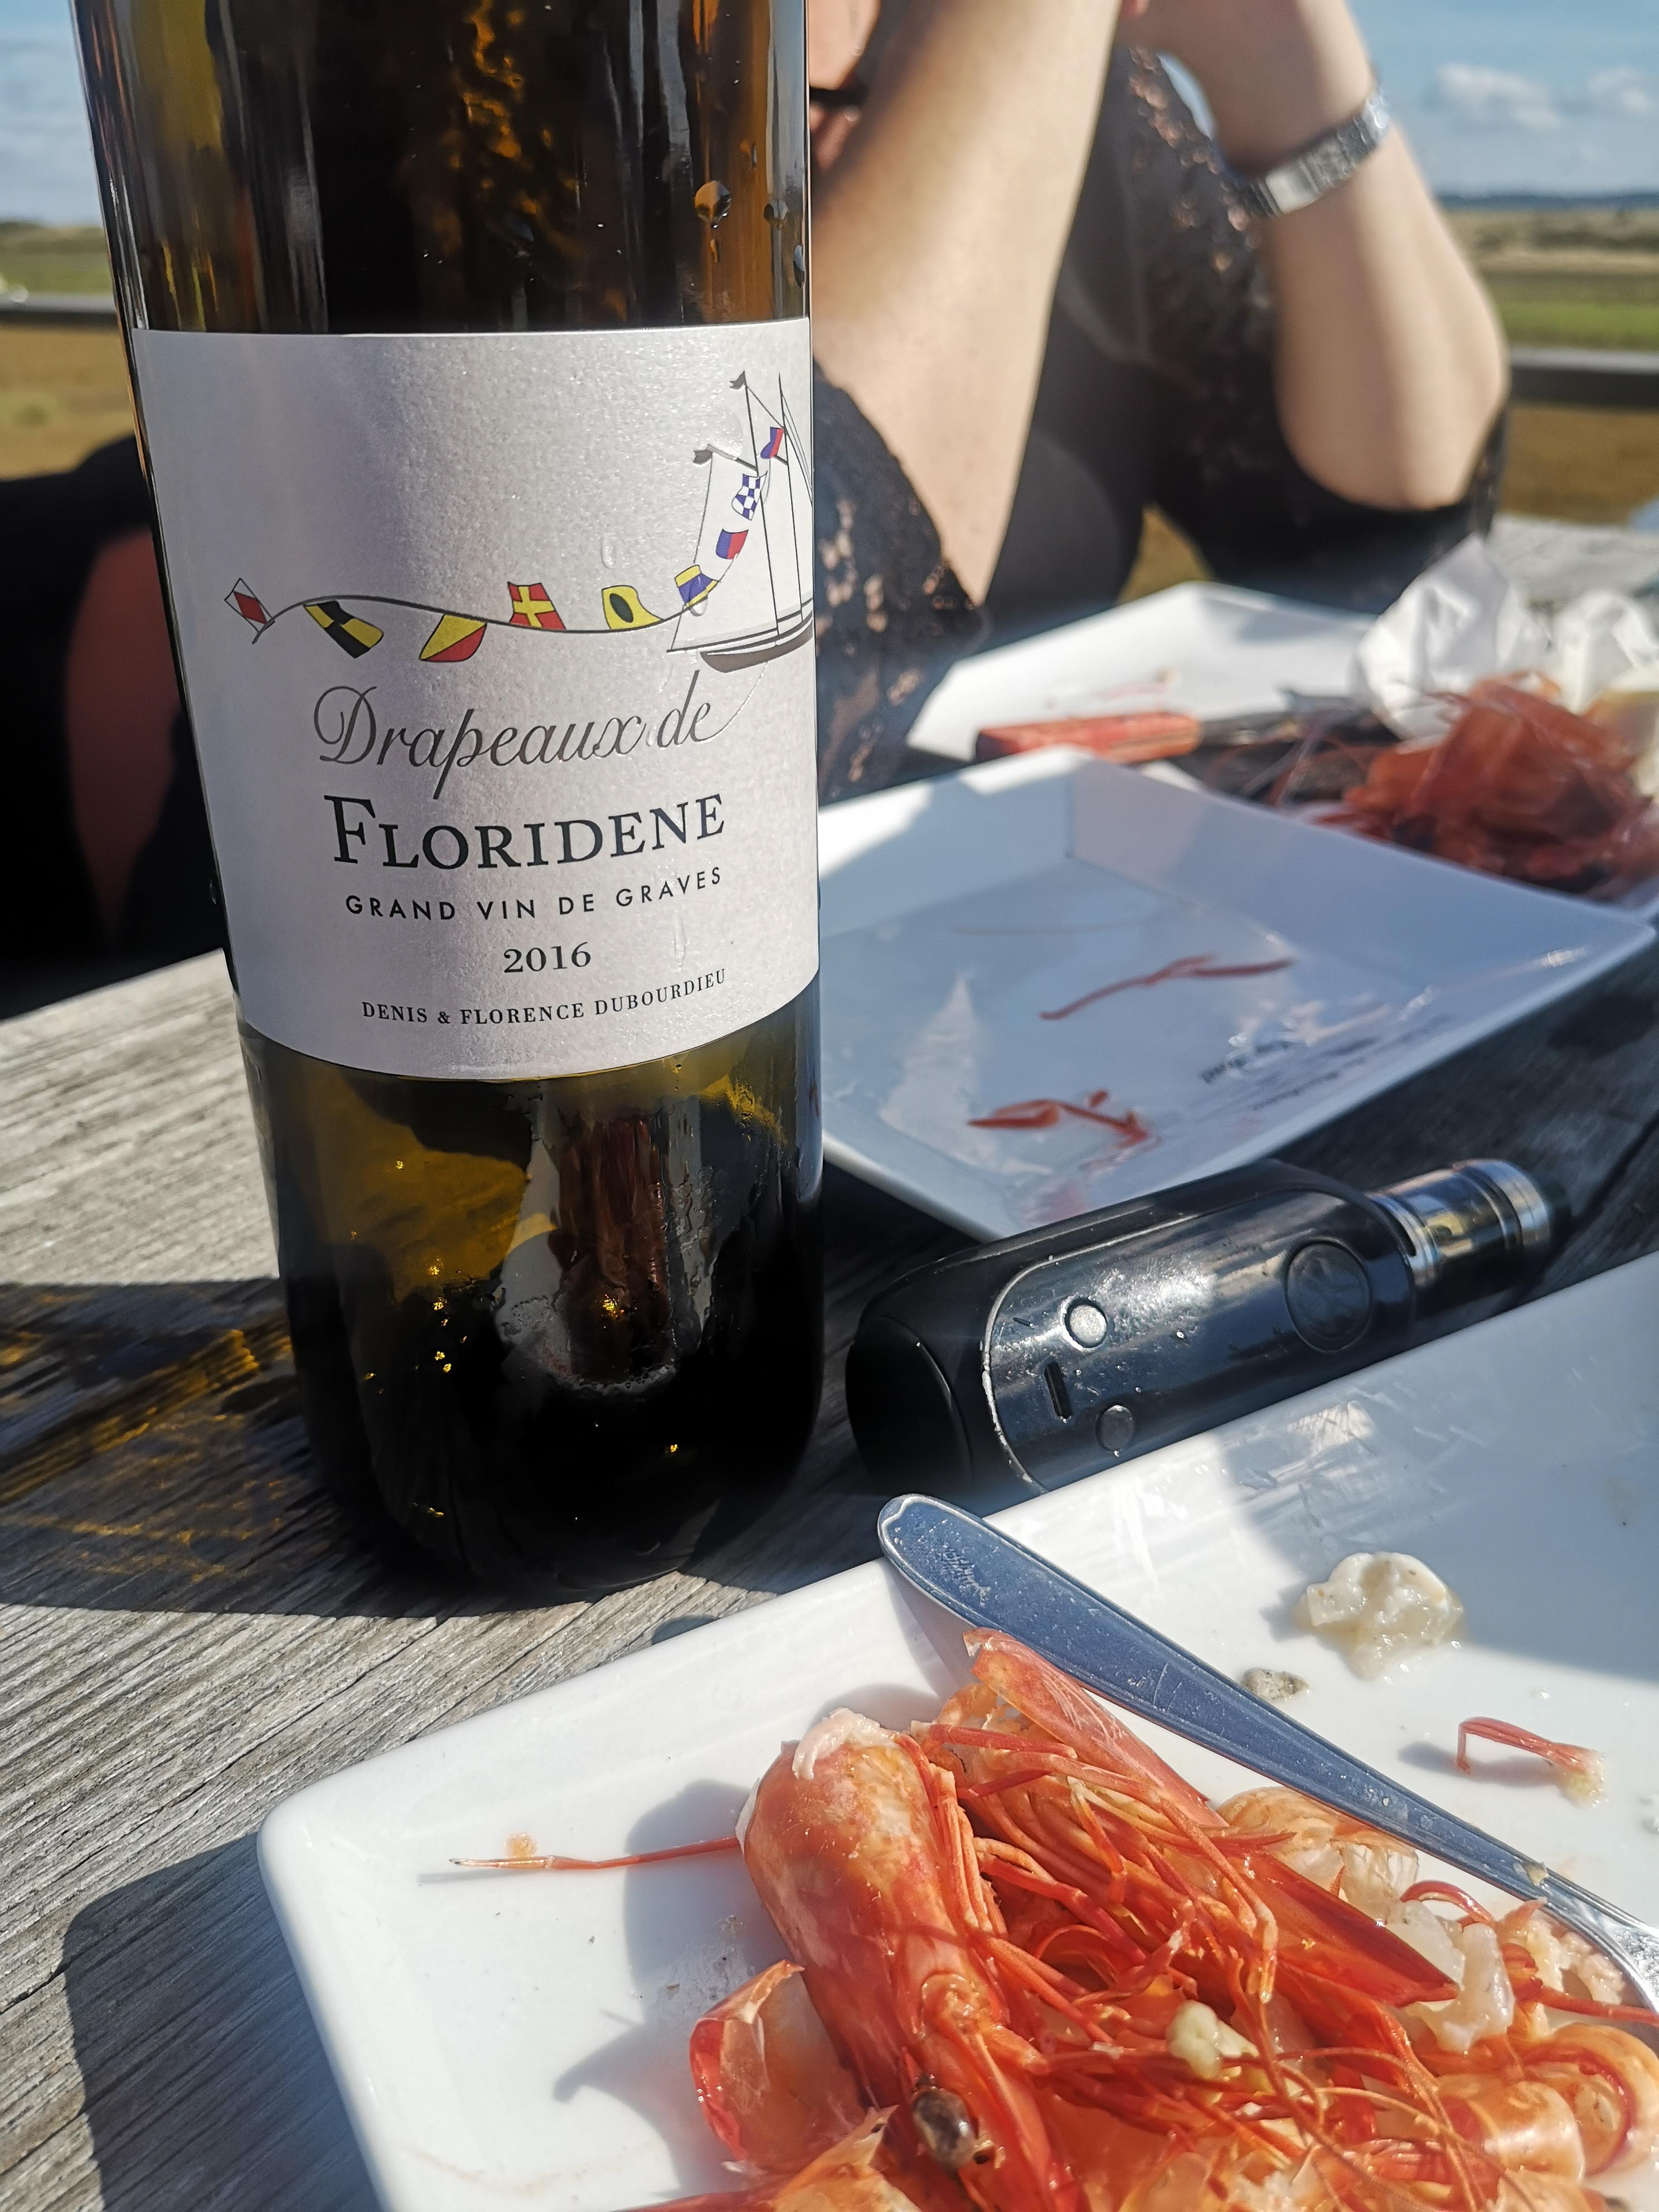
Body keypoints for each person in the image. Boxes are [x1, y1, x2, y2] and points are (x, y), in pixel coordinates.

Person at [8, 0, 1507, 977]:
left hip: (956, 980)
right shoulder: (498, 64)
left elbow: (1395, 526)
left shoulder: (1079, 112)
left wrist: (1293, 76)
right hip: (325, 961)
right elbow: (712, 703)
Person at [809, 0, 1510, 796]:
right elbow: (750, 674)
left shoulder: (1086, 84)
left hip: (1059, 856)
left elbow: (1385, 557)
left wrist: (1285, 60)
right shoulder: (671, 89)